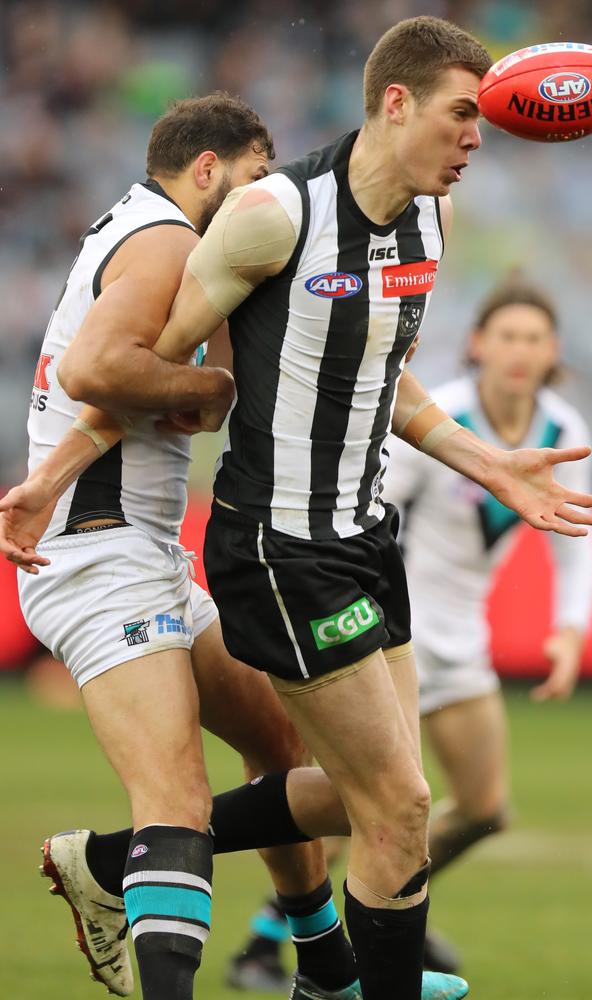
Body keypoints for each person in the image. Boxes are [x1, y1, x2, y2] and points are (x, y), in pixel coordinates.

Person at [2, 16, 592, 1000]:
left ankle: (116, 863)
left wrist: (484, 461)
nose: (475, 138)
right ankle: (345, 985)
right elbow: (162, 361)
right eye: (463, 114)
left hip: (368, 537)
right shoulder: (275, 215)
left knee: (351, 786)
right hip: (280, 545)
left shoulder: (430, 221)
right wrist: (58, 470)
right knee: (400, 807)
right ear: (394, 102)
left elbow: (384, 374)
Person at [0, 92, 368, 1000]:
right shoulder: (166, 236)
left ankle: (326, 976)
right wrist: (210, 388)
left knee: (281, 750)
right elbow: (94, 368)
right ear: (208, 168)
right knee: (176, 800)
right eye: (253, 172)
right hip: (98, 553)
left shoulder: (143, 228)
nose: (261, 194)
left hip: (144, 550)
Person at [382, 276, 592, 968]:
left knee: (484, 809)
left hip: (462, 642)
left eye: (534, 338)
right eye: (506, 335)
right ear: (478, 344)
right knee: (373, 799)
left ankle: (390, 910)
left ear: (553, 351)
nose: (519, 350)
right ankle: (307, 935)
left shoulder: (562, 430)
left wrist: (569, 634)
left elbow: (579, 547)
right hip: (395, 637)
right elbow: (376, 517)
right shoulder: (440, 418)